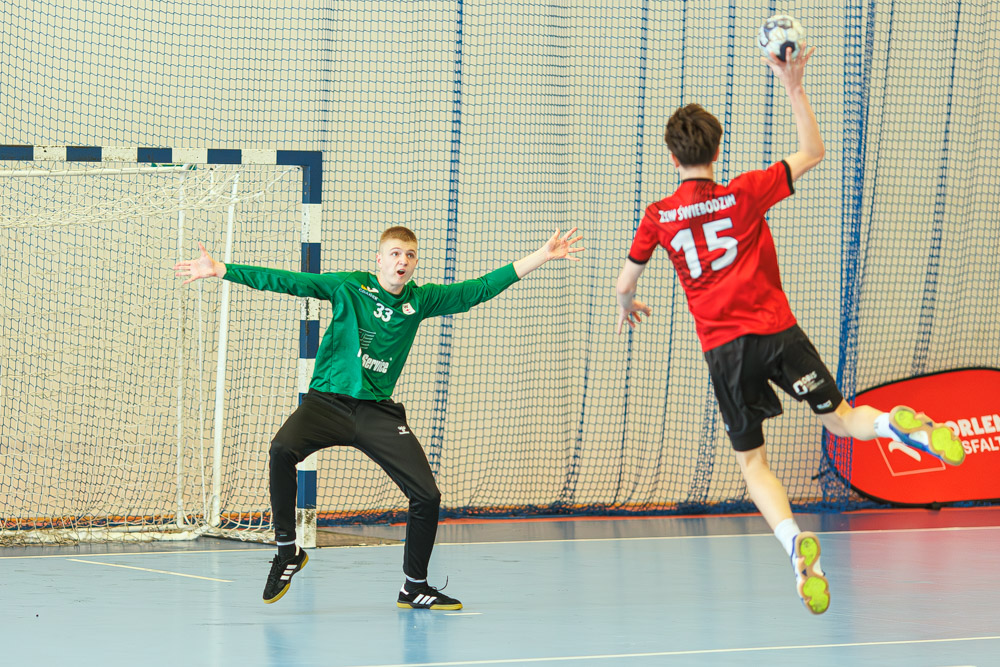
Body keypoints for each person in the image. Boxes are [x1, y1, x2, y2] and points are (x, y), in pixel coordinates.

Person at [614, 44, 964, 615]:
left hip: (725, 352)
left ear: (672, 158)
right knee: (844, 419)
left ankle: (794, 543)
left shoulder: (658, 216)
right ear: (717, 149)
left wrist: (627, 304)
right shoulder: (745, 192)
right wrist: (793, 84)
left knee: (754, 463)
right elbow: (813, 151)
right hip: (779, 333)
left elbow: (625, 281)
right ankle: (901, 427)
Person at [175, 225, 583, 608]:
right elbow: (290, 281)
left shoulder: (420, 300)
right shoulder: (350, 286)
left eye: (410, 255)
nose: (402, 260)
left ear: (415, 263)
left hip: (377, 412)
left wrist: (542, 255)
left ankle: (414, 586)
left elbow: (478, 289)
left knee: (427, 496)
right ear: (380, 259)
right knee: (282, 449)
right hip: (327, 403)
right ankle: (287, 551)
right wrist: (222, 269)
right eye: (395, 253)